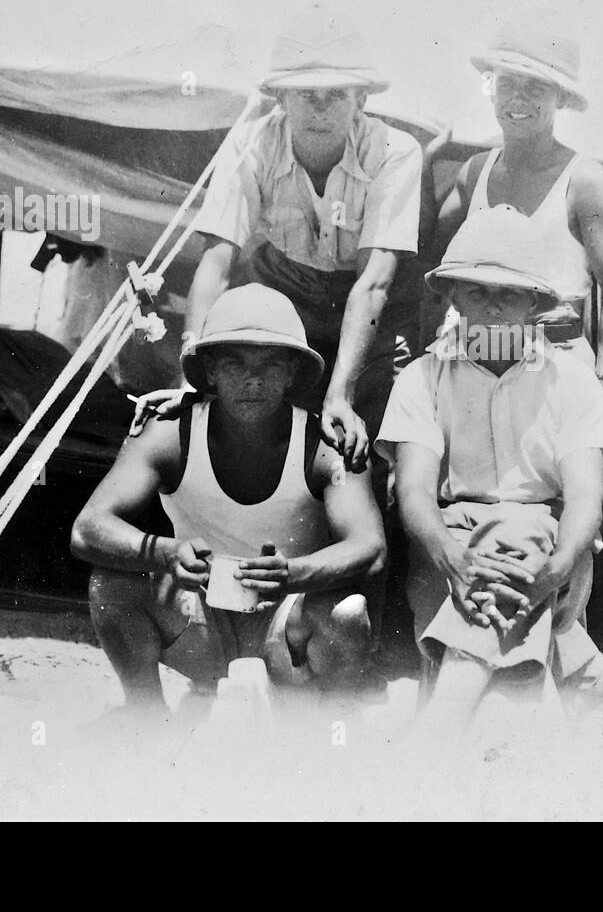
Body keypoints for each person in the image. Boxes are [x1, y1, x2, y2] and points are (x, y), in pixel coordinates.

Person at [132, 5, 422, 473]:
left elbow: (374, 283)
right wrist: (193, 370)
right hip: (286, 300)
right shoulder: (249, 143)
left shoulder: (396, 151)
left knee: (369, 446)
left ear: (362, 101)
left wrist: (341, 395)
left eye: (337, 95)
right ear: (280, 99)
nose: (321, 110)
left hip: (376, 313)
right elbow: (217, 262)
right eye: (306, 94)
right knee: (257, 429)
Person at [71, 285, 385, 714]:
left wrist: (293, 573)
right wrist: (166, 553)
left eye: (271, 364)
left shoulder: (324, 443)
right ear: (212, 371)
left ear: (292, 372)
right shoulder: (170, 432)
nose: (252, 379)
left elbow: (370, 549)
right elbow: (88, 528)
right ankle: (145, 719)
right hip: (199, 625)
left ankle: (327, 732)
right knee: (112, 584)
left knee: (347, 614)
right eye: (235, 362)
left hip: (284, 631)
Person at [378, 206, 603, 730]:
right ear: (450, 296)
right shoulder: (421, 378)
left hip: (550, 543)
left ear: (535, 303)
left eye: (509, 294)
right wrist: (453, 558)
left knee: (523, 531)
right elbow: (416, 493)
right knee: (504, 703)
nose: (492, 307)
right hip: (447, 545)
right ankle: (583, 671)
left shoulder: (573, 380)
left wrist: (559, 566)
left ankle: (443, 721)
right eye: (477, 291)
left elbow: (586, 498)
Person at [422, 8, 603, 413]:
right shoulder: (474, 173)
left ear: (561, 98)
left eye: (536, 88)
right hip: (475, 352)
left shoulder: (584, 181)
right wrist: (424, 163)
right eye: (507, 85)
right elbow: (428, 260)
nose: (518, 100)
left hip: (554, 357)